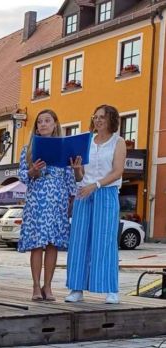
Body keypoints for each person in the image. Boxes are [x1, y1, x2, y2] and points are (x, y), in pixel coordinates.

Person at [66, 105, 126, 304]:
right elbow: (80, 175)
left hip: (106, 192)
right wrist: (76, 170)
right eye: (96, 117)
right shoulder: (87, 141)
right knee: (79, 240)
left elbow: (117, 172)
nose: (98, 120)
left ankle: (111, 289)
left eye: (103, 117)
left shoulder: (118, 142)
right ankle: (76, 288)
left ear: (112, 120)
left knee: (105, 241)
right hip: (84, 191)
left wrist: (96, 185)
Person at [17, 110, 76, 302]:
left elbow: (70, 179)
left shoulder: (65, 149)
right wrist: (33, 170)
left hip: (58, 200)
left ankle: (48, 286)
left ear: (55, 124)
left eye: (47, 121)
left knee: (52, 245)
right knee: (37, 244)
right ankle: (35, 286)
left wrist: (71, 201)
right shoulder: (28, 149)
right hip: (37, 201)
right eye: (39, 122)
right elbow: (23, 177)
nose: (43, 124)